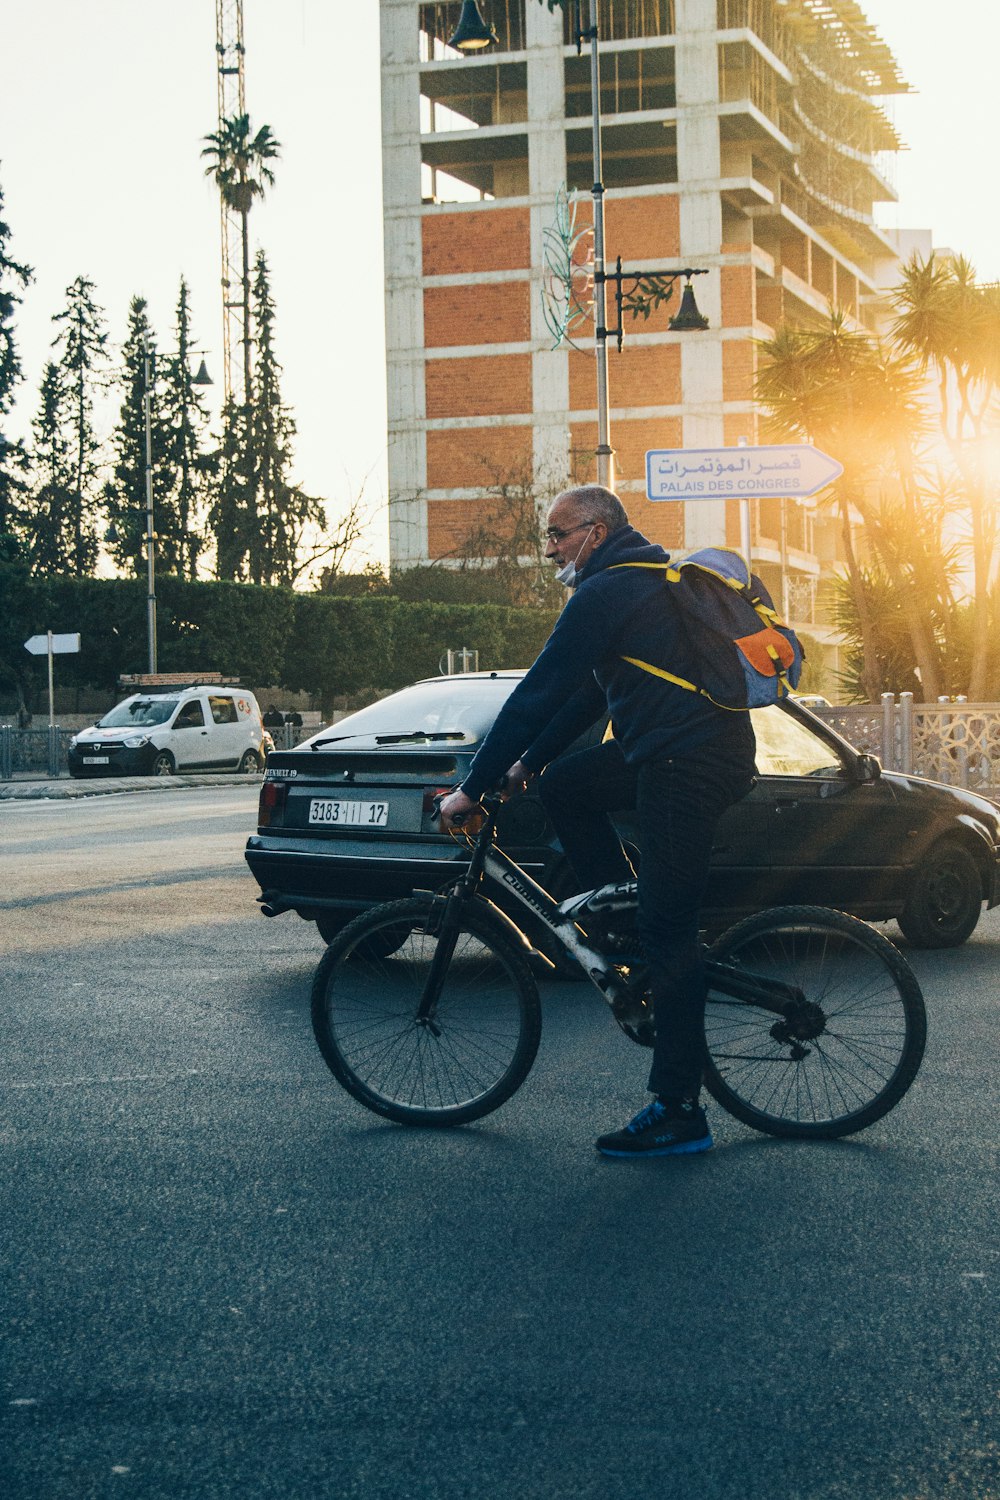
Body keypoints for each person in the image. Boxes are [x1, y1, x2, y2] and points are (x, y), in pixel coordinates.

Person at [438, 484, 757, 1159]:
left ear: (598, 528)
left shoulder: (608, 592)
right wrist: (527, 763)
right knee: (568, 784)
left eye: (559, 534)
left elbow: (536, 692)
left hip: (688, 764)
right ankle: (623, 911)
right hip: (677, 749)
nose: (551, 549)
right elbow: (586, 694)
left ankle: (679, 1111)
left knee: (670, 934)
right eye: (548, 537)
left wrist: (472, 786)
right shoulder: (638, 582)